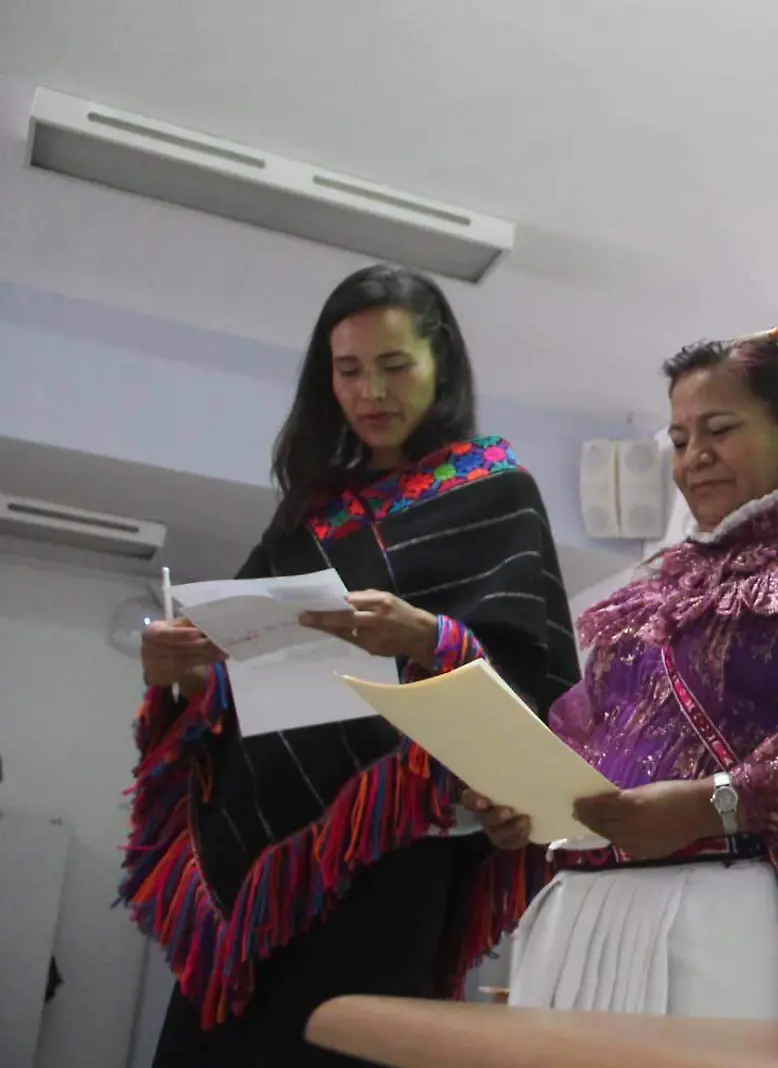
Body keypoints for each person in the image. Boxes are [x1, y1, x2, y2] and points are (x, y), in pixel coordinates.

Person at [125, 264, 582, 1067]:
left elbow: (535, 683)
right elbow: (237, 669)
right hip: (264, 861)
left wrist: (427, 637)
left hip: (397, 852)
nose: (371, 390)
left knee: (353, 1044)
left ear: (441, 365)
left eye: (395, 365)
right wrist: (182, 666)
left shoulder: (498, 492)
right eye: (348, 370)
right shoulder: (310, 509)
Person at [475, 328, 778, 1024]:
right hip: (591, 919)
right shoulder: (653, 598)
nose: (694, 457)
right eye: (679, 439)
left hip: (754, 926)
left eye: (720, 429)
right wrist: (528, 800)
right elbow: (584, 735)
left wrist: (720, 802)